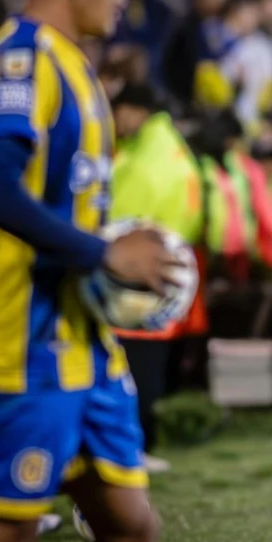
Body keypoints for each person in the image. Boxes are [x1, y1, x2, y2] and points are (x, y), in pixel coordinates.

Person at [0, 0, 177, 542]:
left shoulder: (75, 67)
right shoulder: (19, 60)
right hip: (17, 345)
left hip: (85, 346)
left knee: (130, 530)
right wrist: (103, 253)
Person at [108, 83, 205, 469]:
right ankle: (135, 443)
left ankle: (133, 445)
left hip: (137, 270)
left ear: (134, 110)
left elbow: (123, 215)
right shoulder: (164, 147)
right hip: (162, 267)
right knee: (144, 361)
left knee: (135, 363)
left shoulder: (149, 158)